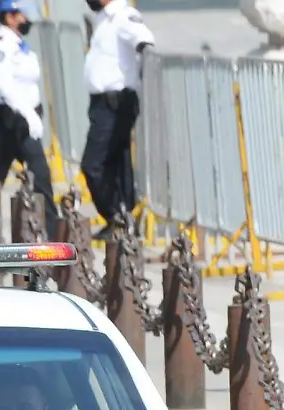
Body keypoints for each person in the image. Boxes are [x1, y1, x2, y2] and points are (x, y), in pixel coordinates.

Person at [0, 0, 57, 234]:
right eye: (23, 15)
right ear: (10, 17)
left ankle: (53, 239)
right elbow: (6, 87)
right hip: (6, 121)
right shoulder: (0, 46)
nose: (28, 20)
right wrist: (28, 114)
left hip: (22, 121)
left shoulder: (19, 44)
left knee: (40, 179)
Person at [81, 0, 155, 235]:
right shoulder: (104, 17)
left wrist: (142, 65)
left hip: (116, 102)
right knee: (116, 163)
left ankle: (116, 216)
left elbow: (144, 39)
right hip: (102, 103)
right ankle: (123, 219)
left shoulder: (124, 16)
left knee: (93, 163)